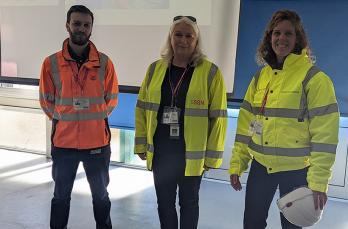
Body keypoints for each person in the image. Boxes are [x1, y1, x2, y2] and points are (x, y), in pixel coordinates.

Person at [229, 10, 339, 229]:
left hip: (296, 171)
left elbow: (325, 136)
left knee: (292, 226)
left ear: (298, 39)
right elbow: (246, 125)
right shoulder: (261, 76)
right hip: (261, 166)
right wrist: (237, 163)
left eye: (289, 33)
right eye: (276, 33)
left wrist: (318, 182)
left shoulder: (314, 79)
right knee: (251, 223)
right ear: (269, 38)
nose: (282, 38)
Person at [134, 16, 227, 229]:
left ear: (196, 41)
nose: (183, 40)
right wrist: (141, 145)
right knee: (164, 204)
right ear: (170, 37)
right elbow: (141, 109)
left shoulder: (210, 72)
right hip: (162, 152)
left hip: (191, 154)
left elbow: (218, 118)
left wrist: (212, 157)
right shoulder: (154, 69)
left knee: (189, 203)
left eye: (189, 36)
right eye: (178, 34)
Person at [39, 5, 118, 229]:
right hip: (64, 144)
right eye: (76, 24)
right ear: (67, 26)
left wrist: (91, 122)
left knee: (101, 197)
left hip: (97, 144)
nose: (81, 29)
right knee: (61, 196)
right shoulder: (51, 63)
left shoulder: (104, 63)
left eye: (86, 25)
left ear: (91, 28)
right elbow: (47, 102)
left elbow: (110, 100)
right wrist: (68, 120)